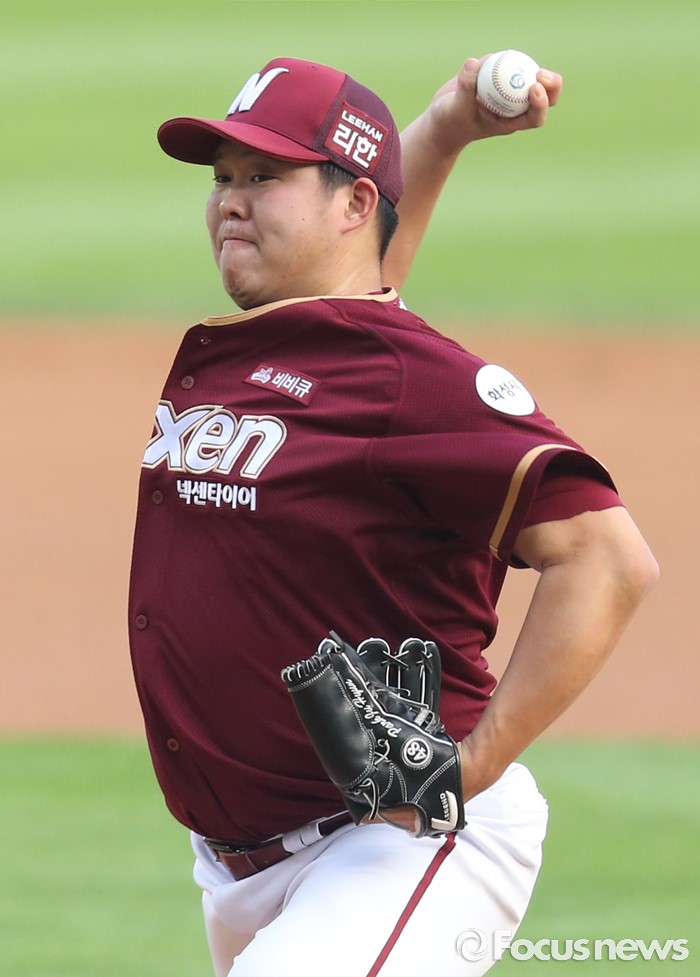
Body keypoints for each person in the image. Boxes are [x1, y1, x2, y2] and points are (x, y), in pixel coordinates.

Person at [128, 56, 658, 977]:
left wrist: (471, 766)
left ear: (354, 201)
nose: (230, 202)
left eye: (264, 176)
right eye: (223, 178)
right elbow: (359, 287)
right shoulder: (294, 344)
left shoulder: (418, 383)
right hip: (238, 861)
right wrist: (445, 128)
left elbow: (610, 558)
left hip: (395, 841)